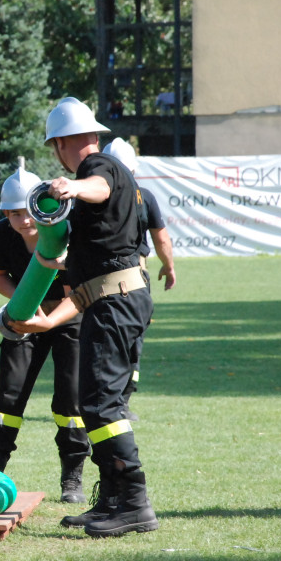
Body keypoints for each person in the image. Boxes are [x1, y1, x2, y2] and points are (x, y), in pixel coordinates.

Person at [14, 97, 158, 538]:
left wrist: (73, 189)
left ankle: (132, 502)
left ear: (59, 144)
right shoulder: (109, 179)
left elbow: (100, 185)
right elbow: (89, 284)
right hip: (111, 299)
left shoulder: (102, 168)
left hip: (117, 303)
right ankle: (113, 499)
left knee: (101, 404)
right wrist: (47, 322)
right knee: (97, 402)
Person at [0, 164, 91, 503]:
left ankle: (72, 478)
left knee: (70, 399)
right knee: (8, 397)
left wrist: (49, 320)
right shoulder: (1, 235)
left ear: (41, 206)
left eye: (26, 211)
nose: (23, 220)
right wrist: (22, 301)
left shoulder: (67, 232)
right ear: (5, 214)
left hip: (69, 314)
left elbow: (79, 293)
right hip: (25, 315)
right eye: (13, 214)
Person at [103, 137, 177, 421]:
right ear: (133, 171)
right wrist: (169, 267)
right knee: (133, 341)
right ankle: (121, 401)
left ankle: (101, 399)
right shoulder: (144, 196)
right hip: (135, 278)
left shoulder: (92, 198)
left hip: (98, 280)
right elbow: (161, 238)